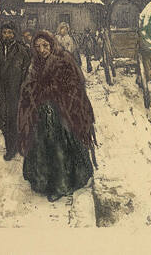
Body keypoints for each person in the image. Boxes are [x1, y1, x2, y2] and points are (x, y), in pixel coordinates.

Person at [17, 32, 97, 202]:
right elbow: (29, 85)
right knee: (41, 143)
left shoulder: (63, 59)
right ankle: (44, 182)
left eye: (45, 45)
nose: (42, 50)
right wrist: (33, 93)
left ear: (51, 44)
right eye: (37, 46)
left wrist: (53, 91)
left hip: (63, 109)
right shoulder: (34, 63)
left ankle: (62, 185)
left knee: (58, 144)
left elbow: (74, 83)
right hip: (42, 110)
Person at [0, 23, 31, 160]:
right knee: (5, 123)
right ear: (1, 34)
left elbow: (28, 71)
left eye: (10, 32)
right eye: (4, 32)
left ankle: (21, 146)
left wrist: (24, 88)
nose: (7, 35)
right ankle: (10, 149)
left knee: (19, 120)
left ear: (15, 34)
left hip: (17, 92)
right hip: (1, 93)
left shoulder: (23, 51)